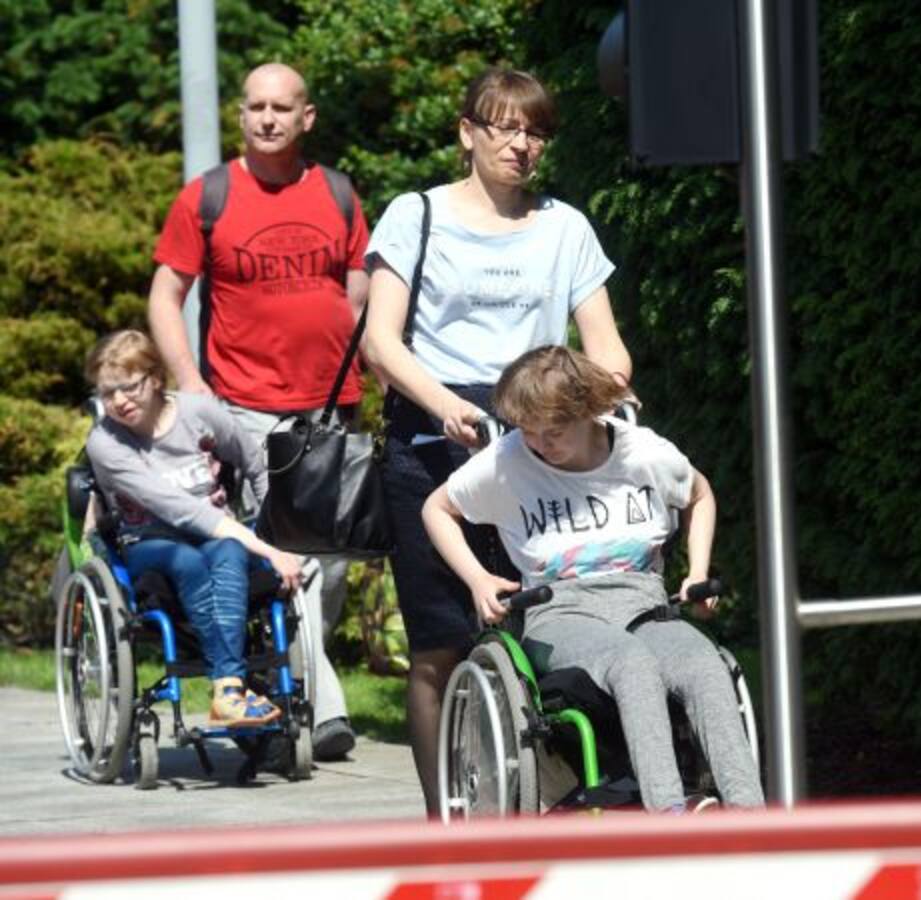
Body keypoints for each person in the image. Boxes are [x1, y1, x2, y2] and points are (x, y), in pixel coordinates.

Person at [363, 67, 633, 813]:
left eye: (536, 131)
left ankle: (560, 795)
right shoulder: (415, 214)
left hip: (540, 431)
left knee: (550, 624)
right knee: (440, 643)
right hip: (432, 437)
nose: (522, 145)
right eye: (506, 128)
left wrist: (599, 395)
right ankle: (445, 823)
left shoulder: (566, 227)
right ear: (468, 133)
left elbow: (607, 348)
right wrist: (444, 404)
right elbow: (381, 340)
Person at [423, 346, 765, 812]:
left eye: (553, 432)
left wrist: (698, 571)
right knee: (631, 663)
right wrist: (478, 579)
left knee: (704, 664)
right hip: (561, 609)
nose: (539, 443)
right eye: (528, 431)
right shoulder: (508, 460)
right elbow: (437, 509)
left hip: (644, 603)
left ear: (588, 411)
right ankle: (669, 813)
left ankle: (749, 815)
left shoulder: (641, 451)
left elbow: (699, 494)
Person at [147, 62, 367, 760]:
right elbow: (165, 294)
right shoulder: (207, 197)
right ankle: (322, 707)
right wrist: (192, 385)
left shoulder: (338, 193)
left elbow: (359, 290)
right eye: (255, 107)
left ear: (306, 117)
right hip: (244, 409)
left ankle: (281, 678)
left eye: (281, 108)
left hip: (330, 412)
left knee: (330, 564)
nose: (267, 118)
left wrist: (360, 365)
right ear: (241, 115)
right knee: (290, 557)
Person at [84, 330, 305, 727]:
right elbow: (180, 510)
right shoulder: (105, 443)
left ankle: (227, 690)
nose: (119, 401)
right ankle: (229, 684)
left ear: (155, 378)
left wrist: (276, 535)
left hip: (215, 536)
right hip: (148, 540)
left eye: (129, 387)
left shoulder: (200, 413)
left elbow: (256, 466)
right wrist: (269, 551)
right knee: (186, 560)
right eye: (107, 393)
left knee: (230, 550)